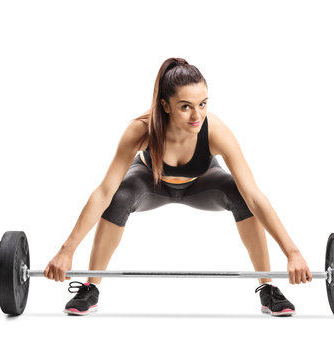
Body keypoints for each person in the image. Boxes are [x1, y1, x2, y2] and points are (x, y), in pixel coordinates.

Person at [44, 57, 312, 316]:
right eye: (186, 106)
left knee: (240, 193)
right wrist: (66, 251)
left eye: (203, 104)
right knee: (118, 196)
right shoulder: (140, 130)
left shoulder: (216, 131)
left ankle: (267, 287)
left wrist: (293, 253)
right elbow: (103, 191)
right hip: (150, 184)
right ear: (166, 105)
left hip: (202, 185)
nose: (197, 115)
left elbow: (254, 194)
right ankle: (91, 287)